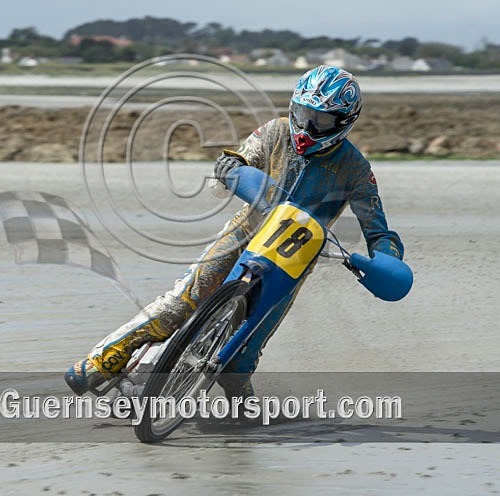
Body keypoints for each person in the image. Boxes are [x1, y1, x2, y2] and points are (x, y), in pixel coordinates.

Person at [65, 65, 404, 398]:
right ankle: (99, 362)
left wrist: (386, 260)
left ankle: (239, 399)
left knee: (246, 353)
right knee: (180, 303)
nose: (307, 127)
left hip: (293, 260)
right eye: (303, 114)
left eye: (322, 121)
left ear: (344, 122)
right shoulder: (274, 130)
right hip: (244, 232)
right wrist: (229, 166)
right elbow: (241, 158)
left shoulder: (356, 169)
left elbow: (378, 231)